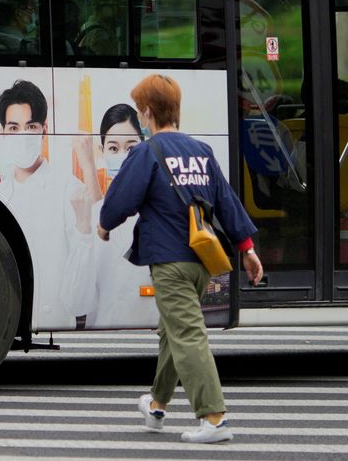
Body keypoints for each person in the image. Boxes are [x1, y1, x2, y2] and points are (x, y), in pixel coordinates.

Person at [98, 74, 264, 443]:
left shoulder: (146, 152)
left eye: (140, 111)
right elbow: (226, 202)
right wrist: (248, 250)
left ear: (146, 112)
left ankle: (214, 418)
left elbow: (120, 201)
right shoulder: (201, 151)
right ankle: (156, 405)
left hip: (169, 260)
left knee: (187, 333)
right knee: (172, 332)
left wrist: (104, 226)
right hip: (202, 260)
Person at [0, 80, 95, 330]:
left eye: (31, 126)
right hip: (6, 325)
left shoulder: (67, 188)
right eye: (14, 128)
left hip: (56, 326)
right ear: (3, 132)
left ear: (44, 129)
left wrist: (83, 229)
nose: (23, 135)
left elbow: (79, 301)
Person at [73, 104, 160, 329]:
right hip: (103, 333)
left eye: (131, 148)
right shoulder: (91, 214)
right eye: (113, 148)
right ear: (102, 150)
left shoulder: (159, 209)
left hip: (152, 327)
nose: (122, 156)